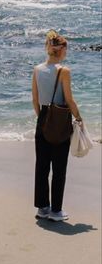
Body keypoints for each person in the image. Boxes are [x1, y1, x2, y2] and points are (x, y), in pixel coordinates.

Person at [32, 30, 83, 221]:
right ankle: (56, 211)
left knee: (42, 166)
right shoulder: (64, 71)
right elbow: (69, 100)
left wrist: (43, 119)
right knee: (59, 167)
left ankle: (42, 208)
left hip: (43, 118)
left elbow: (35, 99)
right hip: (60, 120)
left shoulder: (37, 69)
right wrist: (79, 118)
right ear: (62, 50)